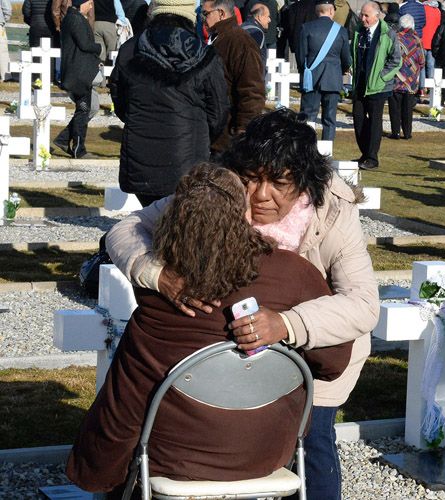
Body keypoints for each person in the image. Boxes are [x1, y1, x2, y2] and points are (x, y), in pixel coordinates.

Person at [105, 109, 379, 500]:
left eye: (278, 183)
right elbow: (127, 228)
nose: (261, 195)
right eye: (253, 179)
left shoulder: (334, 212)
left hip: (318, 354)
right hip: (220, 353)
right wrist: (157, 275)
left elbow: (365, 304)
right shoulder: (223, 193)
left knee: (313, 443)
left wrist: (286, 324)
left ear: (303, 183)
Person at [66, 164, 348, 496]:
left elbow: (126, 399)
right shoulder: (296, 275)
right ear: (244, 215)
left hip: (172, 460)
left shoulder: (160, 295)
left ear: (171, 222)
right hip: (266, 452)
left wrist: (101, 473)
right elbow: (334, 363)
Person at [108, 0, 229, 206]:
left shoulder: (131, 49)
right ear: (190, 14)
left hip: (141, 158)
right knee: (181, 227)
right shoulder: (204, 53)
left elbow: (120, 101)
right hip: (188, 159)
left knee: (149, 224)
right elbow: (218, 111)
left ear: (154, 11)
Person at [203, 0, 265, 156]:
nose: (202, 18)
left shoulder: (240, 42)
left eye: (206, 13)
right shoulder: (218, 38)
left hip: (227, 139)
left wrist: (242, 133)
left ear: (221, 13)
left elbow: (252, 92)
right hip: (213, 135)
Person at [351, 1, 402, 170]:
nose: (362, 18)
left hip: (378, 86)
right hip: (360, 83)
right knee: (358, 119)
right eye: (362, 15)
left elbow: (396, 60)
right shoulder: (359, 31)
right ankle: (364, 153)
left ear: (377, 16)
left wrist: (381, 77)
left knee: (374, 121)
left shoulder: (387, 33)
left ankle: (372, 157)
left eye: (366, 15)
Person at [297, 0, 351, 141]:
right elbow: (346, 58)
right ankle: (327, 154)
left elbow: (301, 56)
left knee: (308, 118)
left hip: (311, 79)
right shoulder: (341, 31)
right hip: (332, 78)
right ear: (332, 11)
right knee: (329, 119)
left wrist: (305, 72)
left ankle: (305, 151)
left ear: (316, 11)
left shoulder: (306, 28)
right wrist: (343, 70)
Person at [54, 0, 100, 159]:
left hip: (77, 71)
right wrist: (99, 48)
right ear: (83, 3)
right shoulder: (76, 19)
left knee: (88, 108)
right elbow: (85, 45)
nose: (91, 6)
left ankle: (63, 139)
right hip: (79, 73)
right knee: (84, 109)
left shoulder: (71, 18)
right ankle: (78, 149)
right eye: (90, 3)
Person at [387, 13, 424, 139]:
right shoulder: (417, 40)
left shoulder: (395, 38)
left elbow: (389, 56)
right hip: (411, 80)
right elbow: (422, 60)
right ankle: (407, 133)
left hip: (396, 77)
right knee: (408, 109)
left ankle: (395, 132)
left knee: (394, 107)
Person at [93, 0, 129, 64]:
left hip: (96, 24)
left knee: (100, 53)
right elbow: (120, 12)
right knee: (111, 55)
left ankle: (100, 70)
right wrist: (124, 24)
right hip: (110, 25)